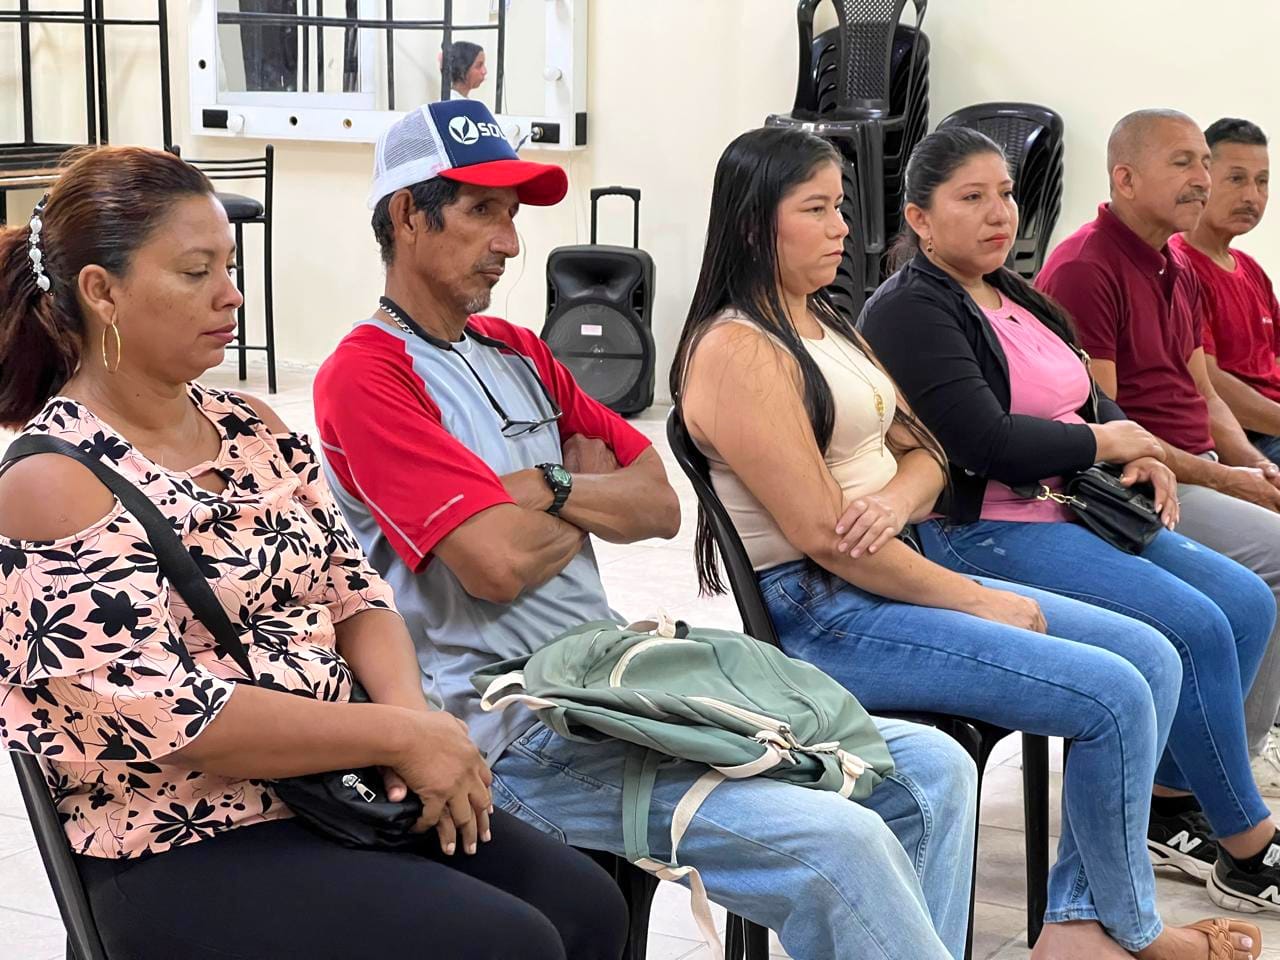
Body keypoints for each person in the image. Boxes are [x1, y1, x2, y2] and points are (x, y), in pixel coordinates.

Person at [313, 99, 980, 960]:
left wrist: (545, 486)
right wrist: (582, 494)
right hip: (514, 726)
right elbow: (494, 565)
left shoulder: (518, 350)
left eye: (512, 216)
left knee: (933, 769)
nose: (510, 243)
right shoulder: (366, 373)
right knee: (841, 845)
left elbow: (659, 505)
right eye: (483, 212)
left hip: (611, 681)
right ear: (408, 214)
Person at [0, 145, 627, 960]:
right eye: (195, 272)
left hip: (338, 786)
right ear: (101, 291)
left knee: (585, 906)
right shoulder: (53, 480)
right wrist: (394, 737)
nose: (231, 294)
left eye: (229, 266)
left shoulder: (250, 425)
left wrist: (412, 726)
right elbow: (176, 715)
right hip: (182, 837)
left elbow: (356, 592)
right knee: (508, 944)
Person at [672, 123, 1262, 960]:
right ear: (750, 224)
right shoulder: (740, 350)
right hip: (826, 611)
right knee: (1114, 693)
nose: (842, 229)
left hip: (889, 570)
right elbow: (828, 539)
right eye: (816, 210)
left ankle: (1079, 920)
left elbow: (927, 452)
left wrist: (895, 495)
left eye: (840, 207)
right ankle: (1117, 929)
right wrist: (977, 596)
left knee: (1154, 658)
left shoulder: (825, 320)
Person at [860, 125, 1280, 920]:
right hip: (984, 529)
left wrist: (1139, 447)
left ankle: (1168, 801)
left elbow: (1088, 395)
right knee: (1195, 624)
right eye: (972, 198)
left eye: (1006, 194)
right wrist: (1104, 443)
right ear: (919, 217)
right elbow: (982, 443)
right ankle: (1248, 845)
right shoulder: (910, 309)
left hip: (1075, 507)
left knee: (1248, 601)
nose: (1000, 214)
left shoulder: (1013, 291)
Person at [1037, 108, 1280, 814]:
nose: (1202, 179)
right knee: (1275, 558)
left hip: (1195, 466)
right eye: (1183, 163)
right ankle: (1181, 789)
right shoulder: (1086, 268)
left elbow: (1203, 390)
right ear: (1125, 177)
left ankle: (1220, 769)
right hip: (1132, 485)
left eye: (1204, 162)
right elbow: (1107, 429)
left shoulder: (1175, 262)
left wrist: (1251, 465)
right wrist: (1224, 477)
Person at [1172, 118, 1280, 465]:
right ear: (1202, 180)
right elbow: (1209, 383)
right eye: (1236, 179)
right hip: (1242, 437)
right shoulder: (1179, 267)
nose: (1251, 196)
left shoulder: (1250, 269)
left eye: (1262, 182)